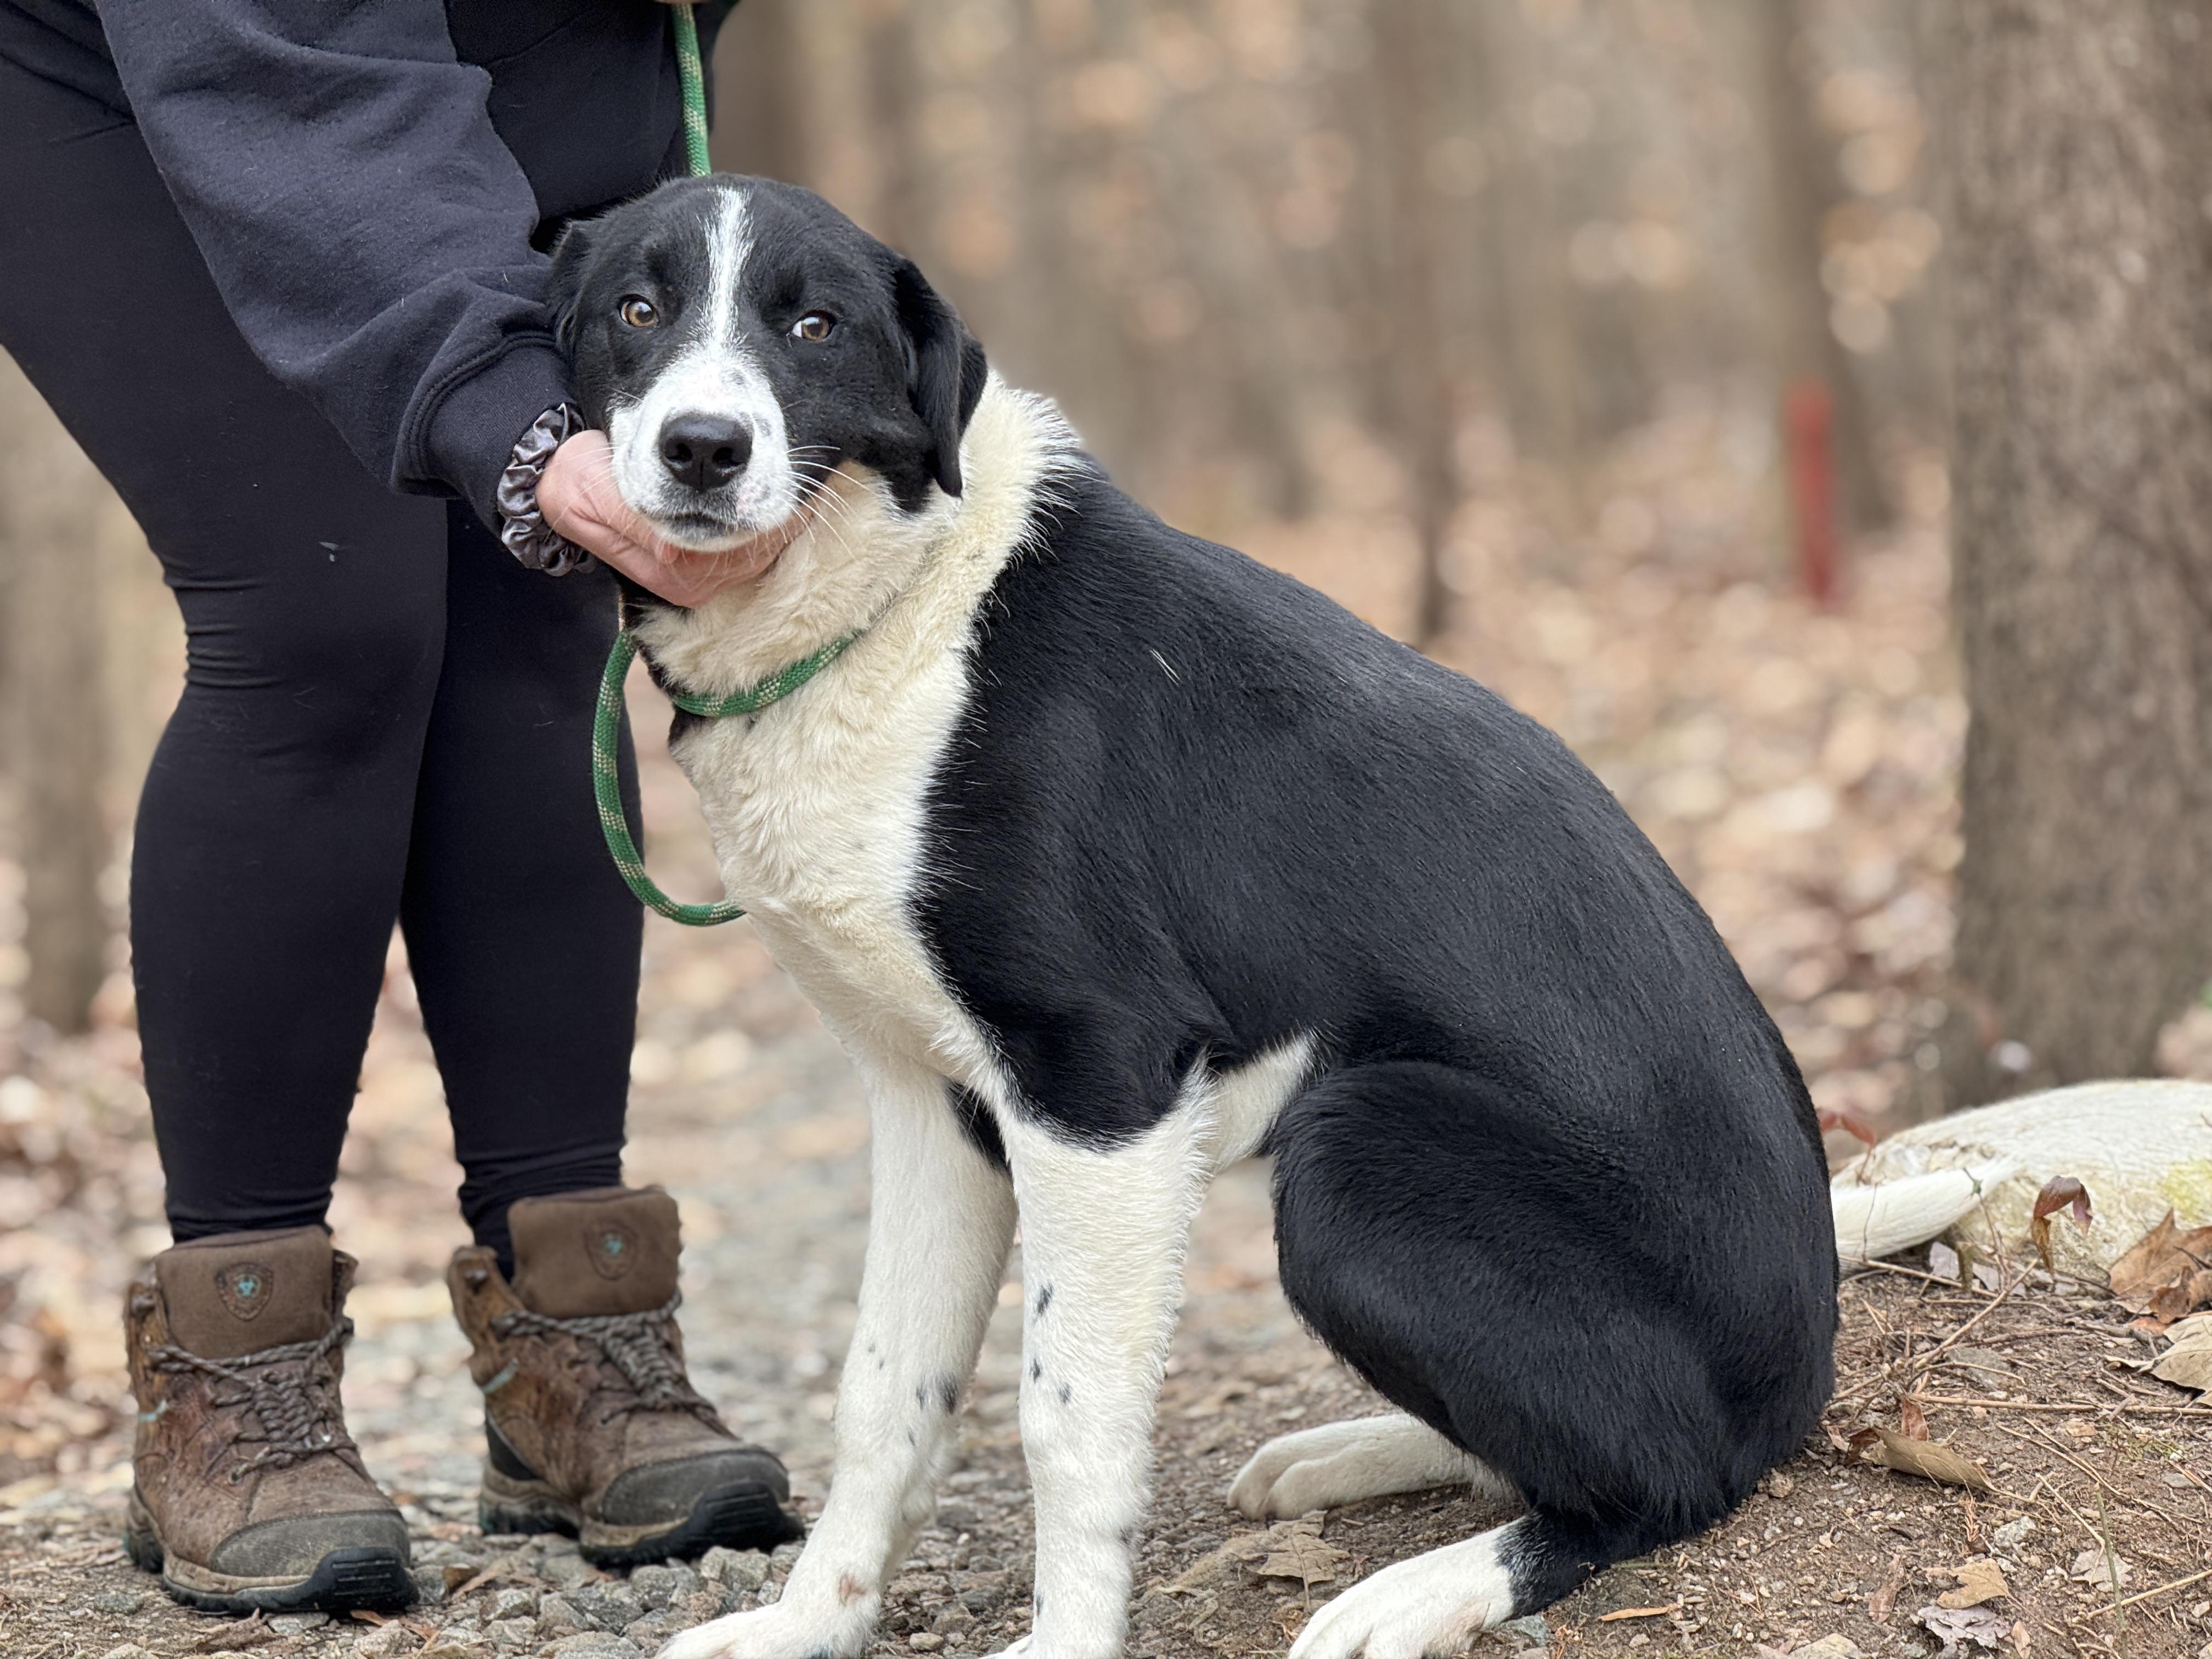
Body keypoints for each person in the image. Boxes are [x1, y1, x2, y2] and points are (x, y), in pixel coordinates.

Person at [0, 0, 797, 1614]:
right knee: (323, 610)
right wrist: (496, 409)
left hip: (517, 49)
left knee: (534, 589)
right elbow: (293, 73)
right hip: (134, 58)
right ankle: (235, 1376)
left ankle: (584, 1333)